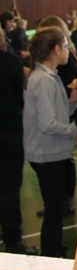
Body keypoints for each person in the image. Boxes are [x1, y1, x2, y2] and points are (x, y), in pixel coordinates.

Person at [23, 28, 77, 257]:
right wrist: (74, 132)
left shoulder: (49, 77)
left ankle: (54, 249)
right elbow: (48, 124)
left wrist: (72, 102)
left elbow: (56, 114)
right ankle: (51, 256)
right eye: (66, 46)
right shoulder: (43, 80)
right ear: (56, 49)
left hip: (50, 152)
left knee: (57, 207)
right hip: (46, 153)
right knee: (55, 208)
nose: (68, 51)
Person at [0, 28, 38, 254]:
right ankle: (13, 240)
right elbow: (19, 98)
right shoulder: (11, 62)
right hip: (9, 132)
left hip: (9, 130)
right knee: (9, 188)